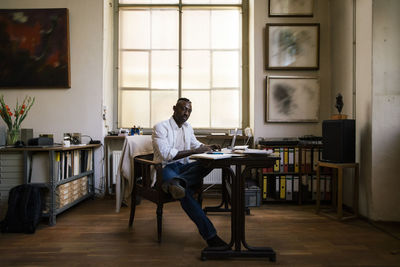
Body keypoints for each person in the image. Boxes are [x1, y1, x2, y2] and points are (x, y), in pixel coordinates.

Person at [152, 97, 228, 249]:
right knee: (183, 193)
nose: (186, 113)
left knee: (209, 162)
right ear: (174, 108)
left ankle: (178, 182)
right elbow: (167, 154)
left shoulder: (188, 127)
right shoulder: (161, 127)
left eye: (189, 110)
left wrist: (208, 147)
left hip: (184, 168)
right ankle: (211, 236)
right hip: (166, 169)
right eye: (183, 109)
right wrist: (195, 151)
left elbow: (196, 144)